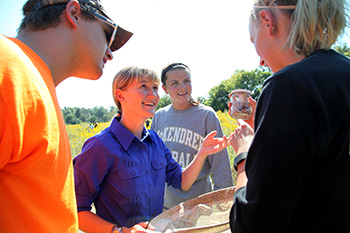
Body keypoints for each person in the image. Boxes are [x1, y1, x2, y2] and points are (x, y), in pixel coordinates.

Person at [0, 0, 132, 232]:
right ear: (74, 14)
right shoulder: (8, 69)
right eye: (108, 35)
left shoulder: (33, 80)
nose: (110, 54)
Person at [228, 0, 350, 232]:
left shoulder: (288, 86)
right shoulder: (343, 71)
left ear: (267, 21)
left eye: (254, 41)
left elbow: (252, 225)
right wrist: (267, 129)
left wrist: (244, 153)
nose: (261, 61)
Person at [73, 66, 228, 233]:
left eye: (155, 88)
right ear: (120, 95)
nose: (153, 95)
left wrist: (203, 152)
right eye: (143, 87)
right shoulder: (99, 146)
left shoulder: (155, 141)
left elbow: (183, 182)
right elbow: (75, 209)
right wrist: (121, 231)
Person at [151, 63, 233, 209]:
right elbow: (154, 163)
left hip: (200, 205)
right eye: (174, 83)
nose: (182, 87)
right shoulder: (159, 117)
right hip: (166, 205)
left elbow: (220, 163)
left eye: (186, 81)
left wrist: (224, 201)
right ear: (165, 89)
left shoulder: (206, 115)